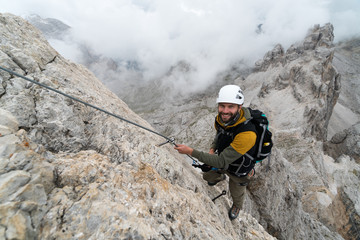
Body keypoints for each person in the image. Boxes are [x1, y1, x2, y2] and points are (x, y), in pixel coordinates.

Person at [174, 85, 257, 220]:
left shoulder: (247, 133)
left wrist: (190, 151)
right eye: (222, 106)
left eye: (230, 106)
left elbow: (221, 161)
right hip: (224, 160)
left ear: (239, 107)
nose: (225, 111)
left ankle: (237, 206)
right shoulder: (220, 119)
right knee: (207, 176)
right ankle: (220, 177)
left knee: (237, 193)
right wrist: (213, 148)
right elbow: (219, 135)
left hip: (240, 169)